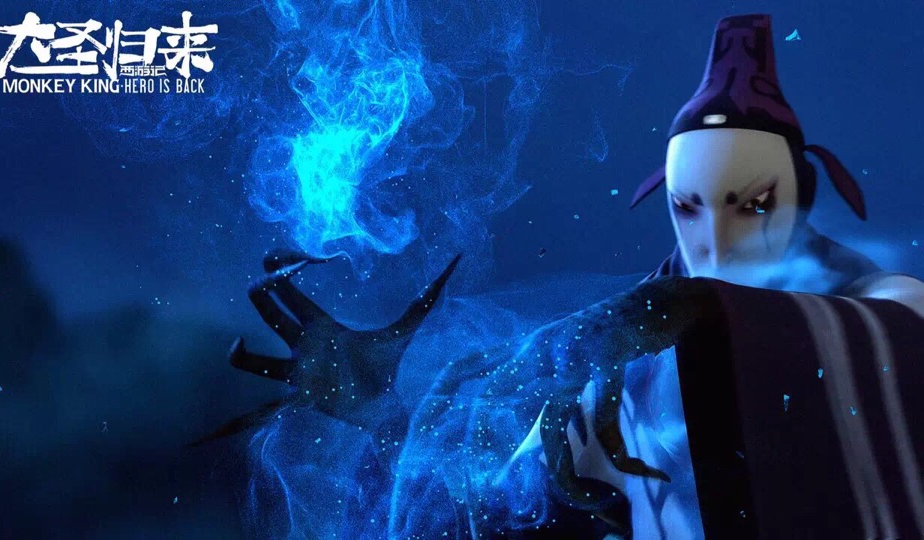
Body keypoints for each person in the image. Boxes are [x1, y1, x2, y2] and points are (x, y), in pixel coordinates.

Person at [202, 14, 924, 539]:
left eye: (754, 203)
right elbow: (488, 511)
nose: (717, 239)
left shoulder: (873, 311)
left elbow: (901, 341)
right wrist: (388, 420)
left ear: (803, 191)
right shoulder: (625, 368)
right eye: (688, 206)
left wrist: (691, 305)